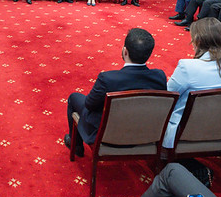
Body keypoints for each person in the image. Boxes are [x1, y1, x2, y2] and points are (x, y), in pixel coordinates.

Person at [64, 28, 167, 157]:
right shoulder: (159, 76)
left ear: (125, 51)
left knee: (74, 97)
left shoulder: (108, 79)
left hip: (108, 136)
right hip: (145, 134)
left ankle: (76, 146)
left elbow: (90, 105)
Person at [162, 18, 221, 149]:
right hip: (220, 128)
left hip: (185, 131)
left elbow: (167, 96)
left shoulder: (187, 66)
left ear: (197, 41)